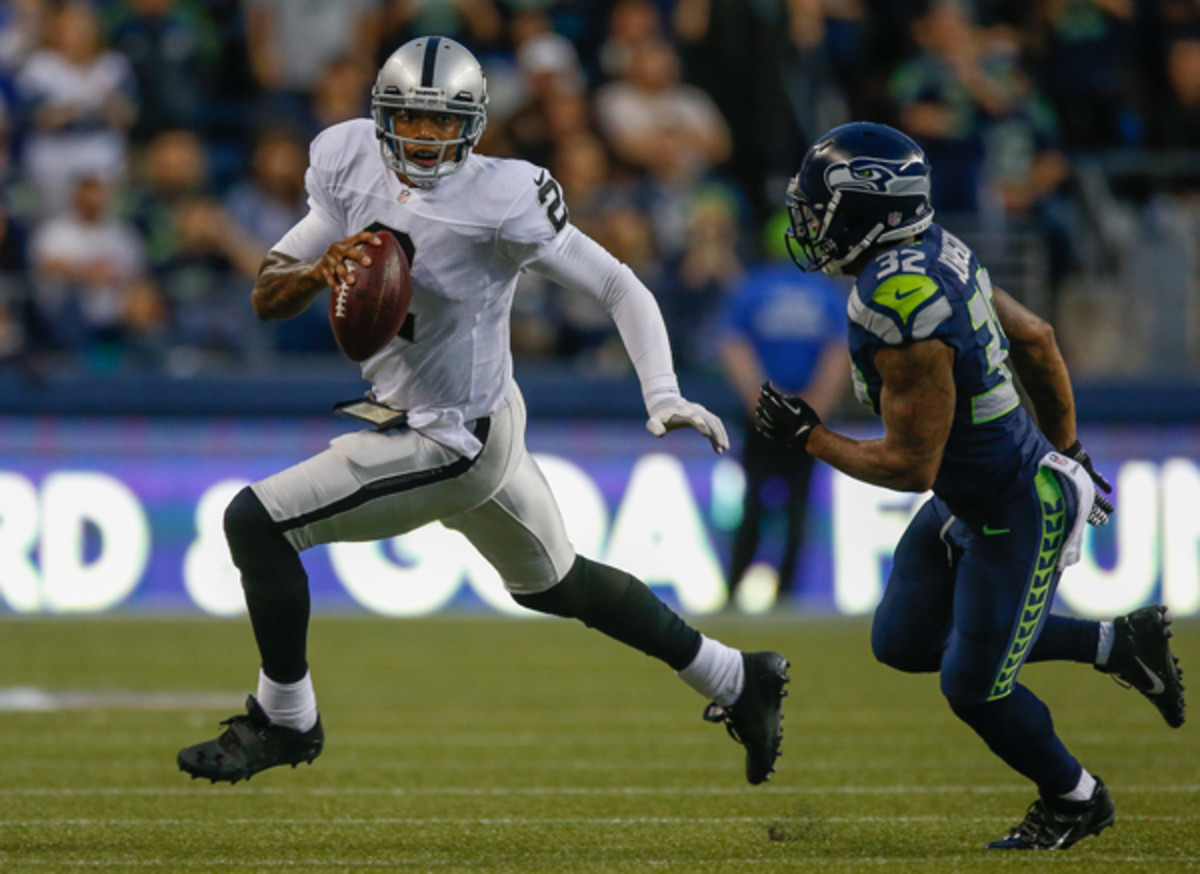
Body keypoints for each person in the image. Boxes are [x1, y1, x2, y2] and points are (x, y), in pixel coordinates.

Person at [176, 36, 789, 788]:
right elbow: (269, 293)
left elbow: (618, 286)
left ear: (475, 126)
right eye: (411, 119)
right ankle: (735, 677)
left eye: (443, 123)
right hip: (463, 420)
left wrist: (662, 392)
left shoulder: (504, 198)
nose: (426, 137)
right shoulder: (346, 159)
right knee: (561, 586)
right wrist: (315, 270)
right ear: (381, 117)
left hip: (449, 435)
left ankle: (286, 718)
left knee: (256, 523)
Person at [754, 121, 1185, 850]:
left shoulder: (903, 307)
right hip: (974, 495)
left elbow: (909, 467)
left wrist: (810, 437)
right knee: (902, 641)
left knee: (974, 687)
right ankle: (1118, 644)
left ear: (866, 210)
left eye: (821, 202)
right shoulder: (933, 255)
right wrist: (1070, 445)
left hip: (1014, 506)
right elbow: (1038, 339)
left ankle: (1076, 798)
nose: (809, 218)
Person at [718, 215, 848, 608]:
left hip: (762, 415)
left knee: (753, 502)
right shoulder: (825, 294)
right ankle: (786, 594)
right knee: (798, 506)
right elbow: (836, 352)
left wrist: (762, 401)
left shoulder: (751, 289)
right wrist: (815, 405)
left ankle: (734, 590)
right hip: (808, 415)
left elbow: (734, 347)